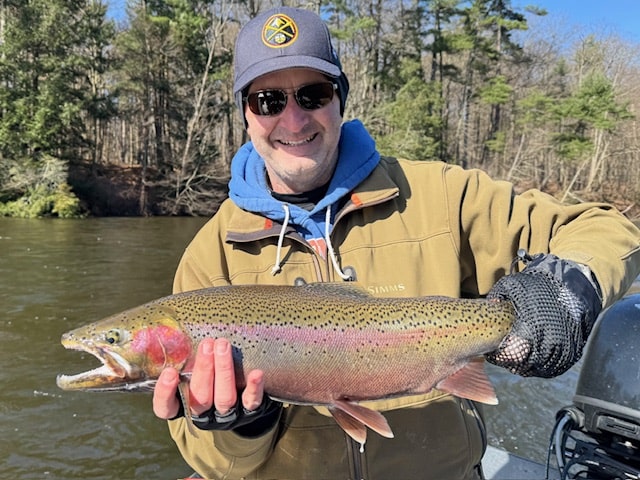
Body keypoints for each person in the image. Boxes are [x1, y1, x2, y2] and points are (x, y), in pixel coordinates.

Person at [152, 6, 640, 480]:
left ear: (340, 100)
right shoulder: (209, 258)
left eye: (313, 94)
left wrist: (563, 288)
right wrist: (243, 428)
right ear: (245, 113)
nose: (294, 120)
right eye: (268, 101)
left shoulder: (441, 196)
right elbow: (213, 464)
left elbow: (608, 229)